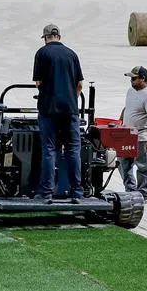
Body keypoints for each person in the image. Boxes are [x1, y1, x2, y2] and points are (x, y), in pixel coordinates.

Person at [32, 23, 84, 202]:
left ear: (46, 37)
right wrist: (71, 100)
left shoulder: (42, 53)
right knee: (73, 150)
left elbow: (38, 83)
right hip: (70, 110)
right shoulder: (72, 54)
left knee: (49, 150)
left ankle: (46, 193)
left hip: (48, 109)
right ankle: (77, 193)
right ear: (59, 36)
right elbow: (79, 85)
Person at [118, 66, 147, 202]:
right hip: (126, 134)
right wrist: (120, 120)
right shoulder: (130, 91)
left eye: (134, 78)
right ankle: (130, 190)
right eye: (130, 78)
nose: (131, 81)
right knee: (123, 163)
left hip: (140, 136)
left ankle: (143, 194)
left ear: (143, 78)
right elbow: (127, 107)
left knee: (142, 165)